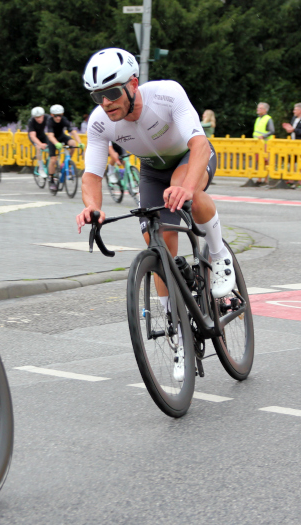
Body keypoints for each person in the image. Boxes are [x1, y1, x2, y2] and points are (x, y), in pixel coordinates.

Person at [76, 49, 233, 334]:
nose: (106, 103)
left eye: (112, 92)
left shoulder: (166, 94)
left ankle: (220, 255)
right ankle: (177, 327)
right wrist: (92, 207)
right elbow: (92, 175)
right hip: (152, 172)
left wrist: (187, 188)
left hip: (190, 157)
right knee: (157, 243)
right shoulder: (100, 122)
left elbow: (199, 144)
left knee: (188, 193)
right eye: (98, 96)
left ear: (133, 84)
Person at [44, 104, 82, 191]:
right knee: (53, 159)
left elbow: (73, 132)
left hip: (61, 136)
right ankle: (51, 179)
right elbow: (50, 136)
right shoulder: (50, 121)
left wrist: (79, 142)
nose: (58, 118)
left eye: (60, 115)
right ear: (52, 115)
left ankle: (66, 163)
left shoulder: (64, 120)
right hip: (52, 139)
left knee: (72, 143)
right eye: (56, 116)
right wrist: (56, 143)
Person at [253, 102, 274, 184]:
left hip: (265, 143)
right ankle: (260, 178)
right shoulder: (258, 119)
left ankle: (265, 179)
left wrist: (263, 136)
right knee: (259, 161)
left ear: (265, 110)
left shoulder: (268, 119)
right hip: (258, 144)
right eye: (258, 107)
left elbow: (272, 131)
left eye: (260, 108)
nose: (258, 109)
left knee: (265, 161)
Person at [27, 106, 49, 173]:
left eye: (40, 117)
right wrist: (40, 144)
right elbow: (33, 136)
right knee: (38, 147)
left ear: (43, 115)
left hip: (42, 135)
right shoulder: (31, 121)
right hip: (34, 136)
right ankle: (41, 168)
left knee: (51, 149)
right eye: (36, 117)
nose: (38, 119)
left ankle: (49, 165)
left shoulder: (48, 118)